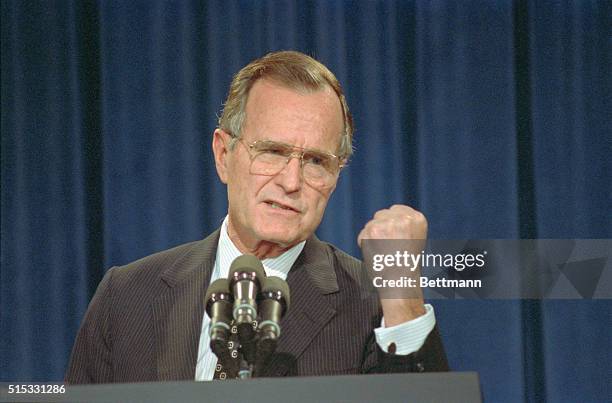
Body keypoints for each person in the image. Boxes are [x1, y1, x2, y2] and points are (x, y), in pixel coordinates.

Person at [65, 50, 448, 383]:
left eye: (316, 161)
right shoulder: (126, 296)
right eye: (272, 152)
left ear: (336, 176)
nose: (292, 181)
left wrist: (403, 303)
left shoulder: (372, 303)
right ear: (223, 155)